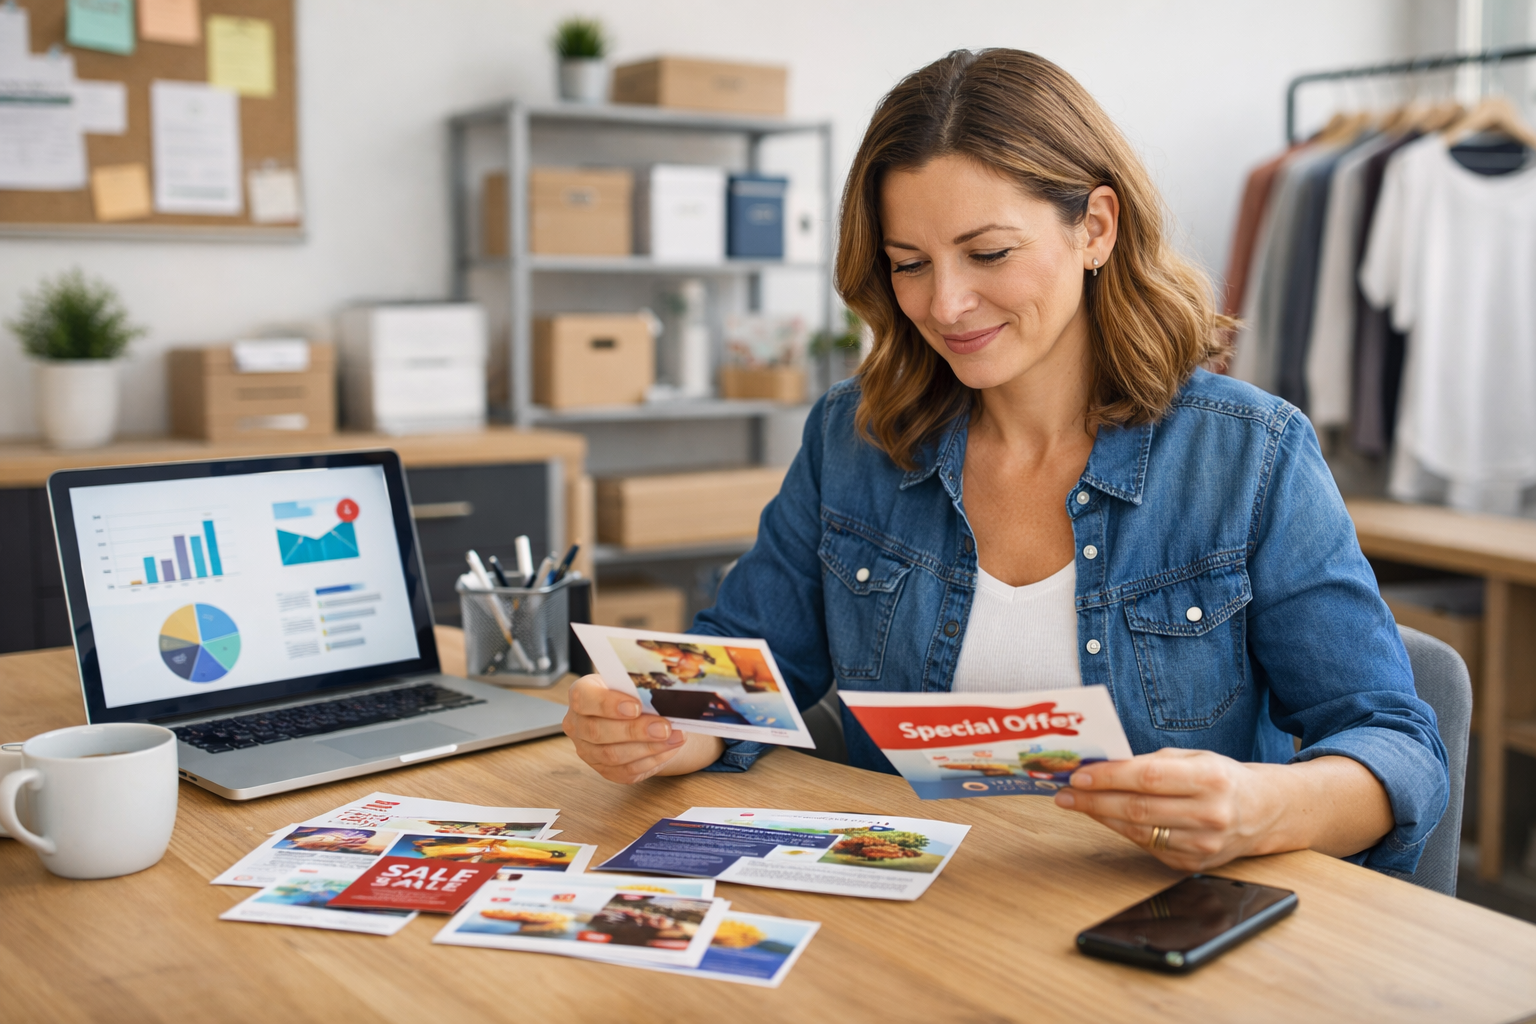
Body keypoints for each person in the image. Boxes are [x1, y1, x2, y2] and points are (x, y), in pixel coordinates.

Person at [562, 49, 1448, 876]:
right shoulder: (853, 438)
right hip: (919, 916)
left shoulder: (1249, 455)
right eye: (910, 264)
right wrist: (670, 729)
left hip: (1155, 924)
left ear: (1096, 227)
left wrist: (1267, 805)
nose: (946, 304)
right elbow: (756, 664)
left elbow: (1395, 743)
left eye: (988, 254)